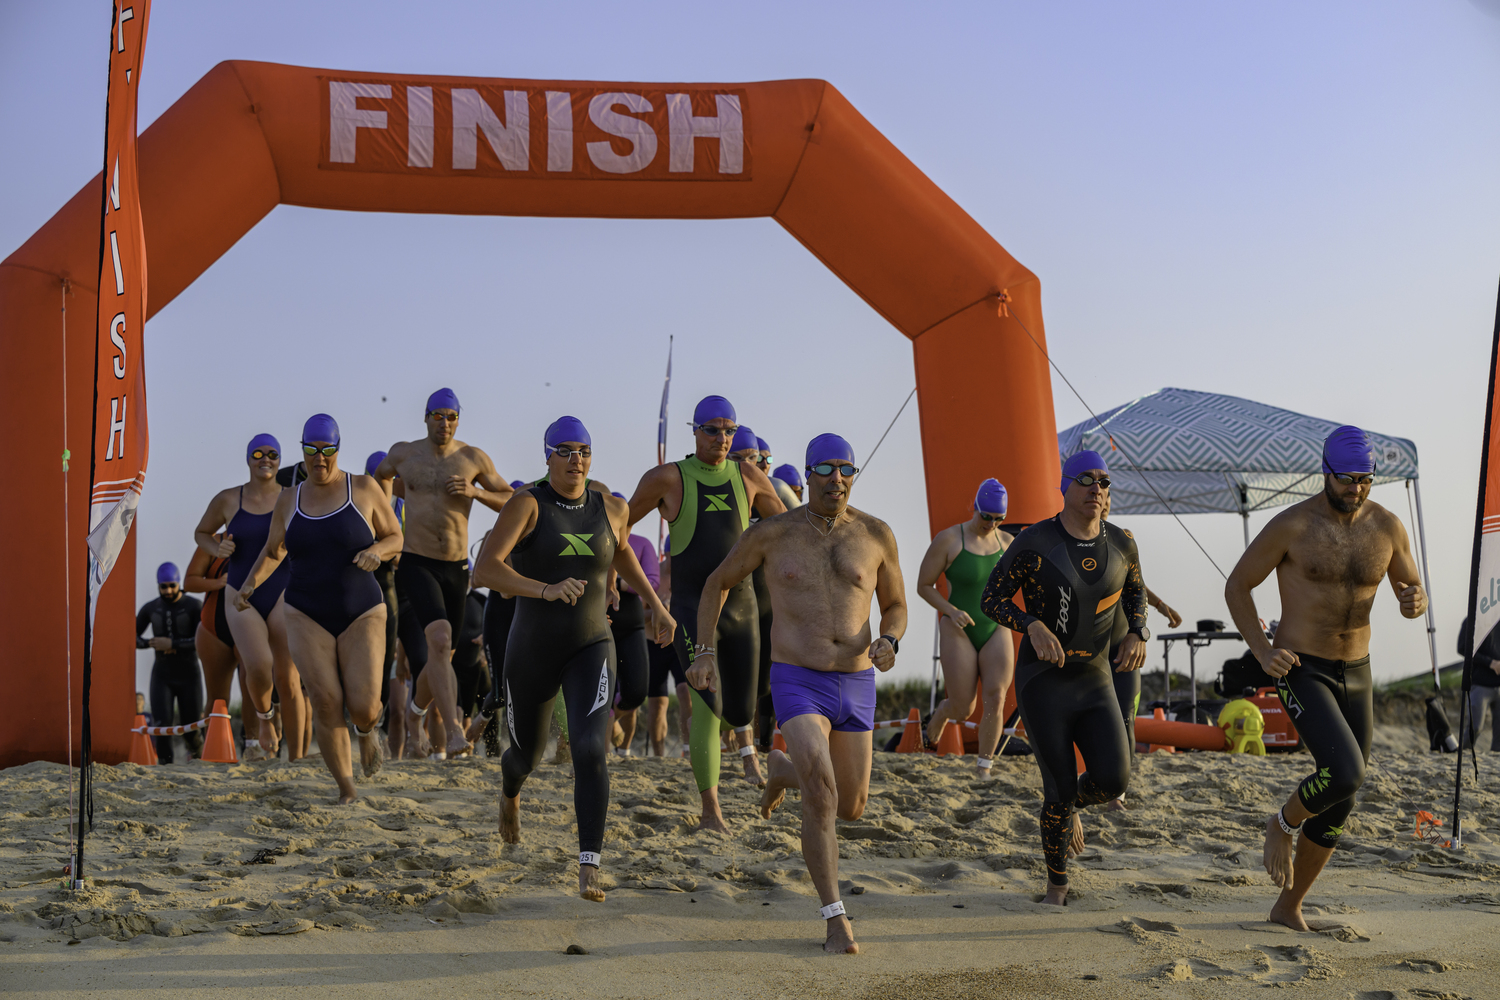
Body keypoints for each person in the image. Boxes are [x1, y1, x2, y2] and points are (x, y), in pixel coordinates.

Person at [696, 433, 906, 954]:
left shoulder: (876, 533)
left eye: (847, 469)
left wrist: (890, 638)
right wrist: (703, 650)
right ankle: (835, 920)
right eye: (827, 469)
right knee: (823, 792)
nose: (838, 478)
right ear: (807, 475)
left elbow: (897, 603)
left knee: (851, 806)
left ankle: (782, 771)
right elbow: (716, 583)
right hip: (797, 678)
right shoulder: (772, 534)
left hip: (856, 680)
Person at [1224, 425, 1427, 931]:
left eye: (1364, 479)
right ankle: (1281, 822)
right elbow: (1238, 586)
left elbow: (1411, 589)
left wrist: (1414, 600)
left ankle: (1288, 906)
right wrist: (1262, 649)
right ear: (1325, 471)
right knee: (1345, 772)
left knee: (1345, 796)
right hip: (1300, 667)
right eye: (1345, 479)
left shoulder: (1389, 527)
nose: (1355, 488)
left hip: (1357, 670)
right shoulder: (1292, 525)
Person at [474, 416, 676, 902]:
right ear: (547, 456)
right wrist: (544, 589)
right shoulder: (529, 504)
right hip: (532, 649)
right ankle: (509, 793)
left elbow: (621, 553)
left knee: (589, 747)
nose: (575, 459)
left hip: (591, 644)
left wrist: (656, 605)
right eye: (564, 451)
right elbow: (485, 569)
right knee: (524, 756)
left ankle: (589, 865)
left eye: (582, 450)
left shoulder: (611, 507)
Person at [980, 451, 1147, 906]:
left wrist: (1138, 631)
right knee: (1055, 788)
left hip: (1095, 679)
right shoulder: (1034, 540)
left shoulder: (1123, 543)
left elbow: (1136, 593)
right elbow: (991, 599)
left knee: (1115, 779)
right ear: (1066, 487)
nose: (1098, 488)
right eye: (1087, 480)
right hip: (1043, 681)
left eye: (1105, 482)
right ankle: (1057, 885)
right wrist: (1031, 624)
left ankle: (1070, 804)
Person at [626, 396, 786, 832]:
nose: (721, 438)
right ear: (694, 431)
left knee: (741, 709)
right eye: (712, 429)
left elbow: (790, 532)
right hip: (692, 609)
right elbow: (617, 529)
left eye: (729, 430)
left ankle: (750, 754)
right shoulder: (668, 478)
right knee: (707, 707)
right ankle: (711, 811)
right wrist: (622, 587)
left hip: (744, 607)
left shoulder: (749, 476)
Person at [236, 414, 404, 803]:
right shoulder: (288, 498)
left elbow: (395, 536)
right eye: (311, 451)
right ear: (303, 452)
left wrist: (377, 551)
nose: (320, 459)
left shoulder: (362, 488)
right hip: (305, 610)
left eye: (327, 451)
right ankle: (347, 790)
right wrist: (249, 584)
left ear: (338, 449)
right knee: (326, 701)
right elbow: (274, 550)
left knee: (363, 706)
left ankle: (366, 732)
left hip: (361, 609)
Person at [375, 388, 514, 759]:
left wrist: (475, 492)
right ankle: (453, 729)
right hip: (416, 561)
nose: (445, 423)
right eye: (438, 415)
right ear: (426, 417)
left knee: (443, 656)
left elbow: (512, 501)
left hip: (457, 568)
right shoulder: (404, 453)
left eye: (452, 416)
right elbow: (380, 478)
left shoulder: (472, 458)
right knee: (438, 641)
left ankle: (414, 713)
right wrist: (389, 518)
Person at [192, 433, 304, 761]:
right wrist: (217, 547)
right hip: (240, 593)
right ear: (248, 459)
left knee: (289, 675)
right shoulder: (228, 499)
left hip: (282, 590)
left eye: (272, 454)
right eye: (258, 453)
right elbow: (201, 533)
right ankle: (266, 722)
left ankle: (296, 758)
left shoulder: (293, 497)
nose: (265, 459)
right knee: (258, 664)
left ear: (280, 460)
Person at [916, 478, 1016, 777]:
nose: (991, 524)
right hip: (957, 627)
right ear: (974, 507)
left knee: (997, 697)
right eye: (987, 516)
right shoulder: (949, 539)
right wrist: (950, 610)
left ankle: (984, 767)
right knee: (963, 709)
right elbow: (924, 586)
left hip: (995, 627)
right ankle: (941, 715)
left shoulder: (1008, 543)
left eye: (999, 519)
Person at [1098, 490, 1182, 810]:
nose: (1101, 503)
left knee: (1125, 717)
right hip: (1086, 649)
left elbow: (1135, 584)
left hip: (1123, 643)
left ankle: (1117, 794)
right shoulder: (1066, 543)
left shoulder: (1123, 539)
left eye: (1107, 498)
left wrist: (1158, 608)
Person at [730, 425, 778, 767]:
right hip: (729, 596)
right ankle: (748, 751)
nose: (749, 465)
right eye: (740, 459)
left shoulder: (772, 493)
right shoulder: (721, 491)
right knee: (737, 678)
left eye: (755, 459)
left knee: (765, 681)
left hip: (767, 598)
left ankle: (762, 743)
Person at [136, 562, 205, 763]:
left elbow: (203, 640)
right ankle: (166, 768)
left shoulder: (194, 606)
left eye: (172, 586)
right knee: (161, 726)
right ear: (158, 585)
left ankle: (199, 762)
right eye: (163, 586)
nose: (168, 591)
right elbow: (130, 636)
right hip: (162, 676)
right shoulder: (151, 608)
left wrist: (173, 643)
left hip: (189, 675)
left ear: (179, 584)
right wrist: (150, 643)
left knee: (191, 726)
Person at [609, 493, 660, 755]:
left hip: (630, 623)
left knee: (636, 691)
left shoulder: (641, 544)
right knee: (599, 692)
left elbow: (653, 582)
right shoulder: (592, 541)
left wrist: (619, 584)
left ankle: (615, 733)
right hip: (598, 624)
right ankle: (600, 753)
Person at [183, 532, 240, 714]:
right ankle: (213, 742)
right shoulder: (215, 542)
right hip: (214, 627)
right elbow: (189, 582)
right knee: (217, 700)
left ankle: (252, 741)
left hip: (252, 627)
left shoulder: (269, 536)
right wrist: (218, 583)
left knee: (257, 694)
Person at [366, 450, 402, 734]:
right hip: (361, 589)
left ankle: (378, 723)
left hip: (392, 587)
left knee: (388, 656)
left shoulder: (401, 506)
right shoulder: (357, 502)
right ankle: (361, 723)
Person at [1457, 615, 1500, 751]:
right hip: (1480, 684)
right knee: (1475, 727)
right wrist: (1490, 662)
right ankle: (1463, 755)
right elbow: (1463, 648)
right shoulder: (1472, 620)